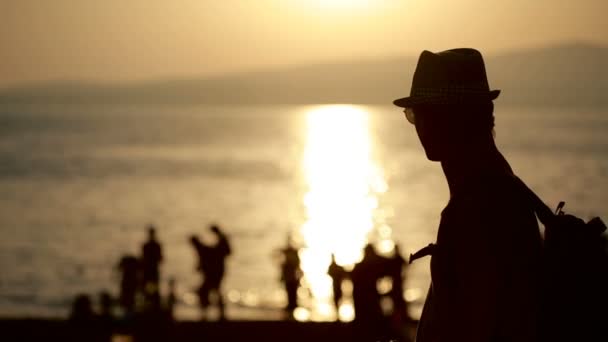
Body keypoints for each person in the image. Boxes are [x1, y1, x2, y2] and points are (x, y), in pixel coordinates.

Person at [393, 49, 543, 341]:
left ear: (457, 116)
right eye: (414, 114)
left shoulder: (481, 206)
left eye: (423, 113)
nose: (419, 125)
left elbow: (485, 325)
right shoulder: (498, 189)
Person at [190, 224, 231, 320]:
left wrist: (219, 233)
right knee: (211, 291)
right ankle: (218, 314)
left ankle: (215, 314)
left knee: (208, 291)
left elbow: (226, 251)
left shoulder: (205, 249)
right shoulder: (203, 249)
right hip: (214, 273)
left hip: (215, 273)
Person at [278, 234, 302, 317]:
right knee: (290, 294)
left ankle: (292, 309)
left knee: (292, 294)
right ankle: (291, 310)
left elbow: (298, 267)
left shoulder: (291, 259)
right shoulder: (287, 262)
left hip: (292, 279)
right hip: (290, 279)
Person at [141, 225, 163, 310]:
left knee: (150, 289)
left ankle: (150, 306)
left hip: (150, 270)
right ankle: (152, 306)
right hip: (152, 270)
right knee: (151, 289)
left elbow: (143, 259)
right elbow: (161, 259)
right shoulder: (154, 245)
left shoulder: (147, 245)